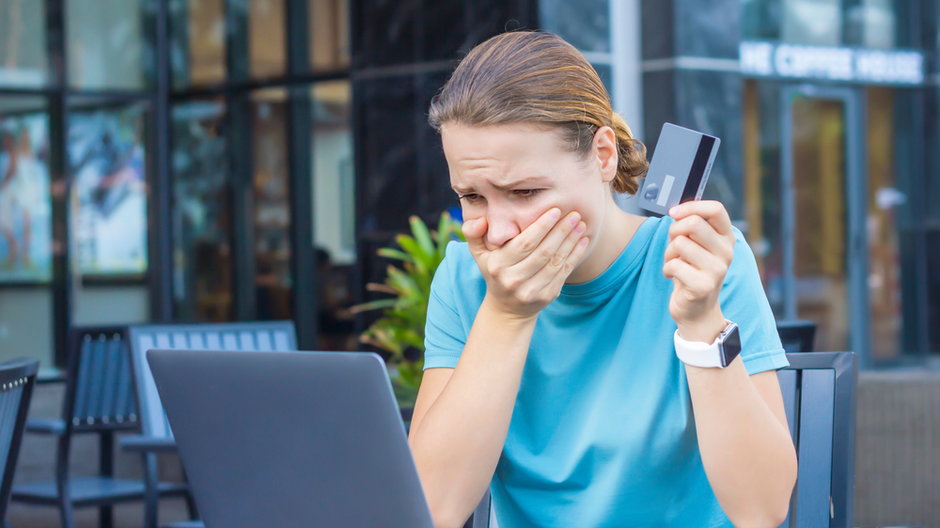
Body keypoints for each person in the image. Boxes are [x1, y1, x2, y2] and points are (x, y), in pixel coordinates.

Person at [407, 31, 797, 528]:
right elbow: (431, 509)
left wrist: (701, 324)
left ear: (603, 155)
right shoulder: (465, 280)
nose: (500, 232)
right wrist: (506, 317)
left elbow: (762, 510)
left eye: (524, 191)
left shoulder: (698, 261)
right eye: (473, 197)